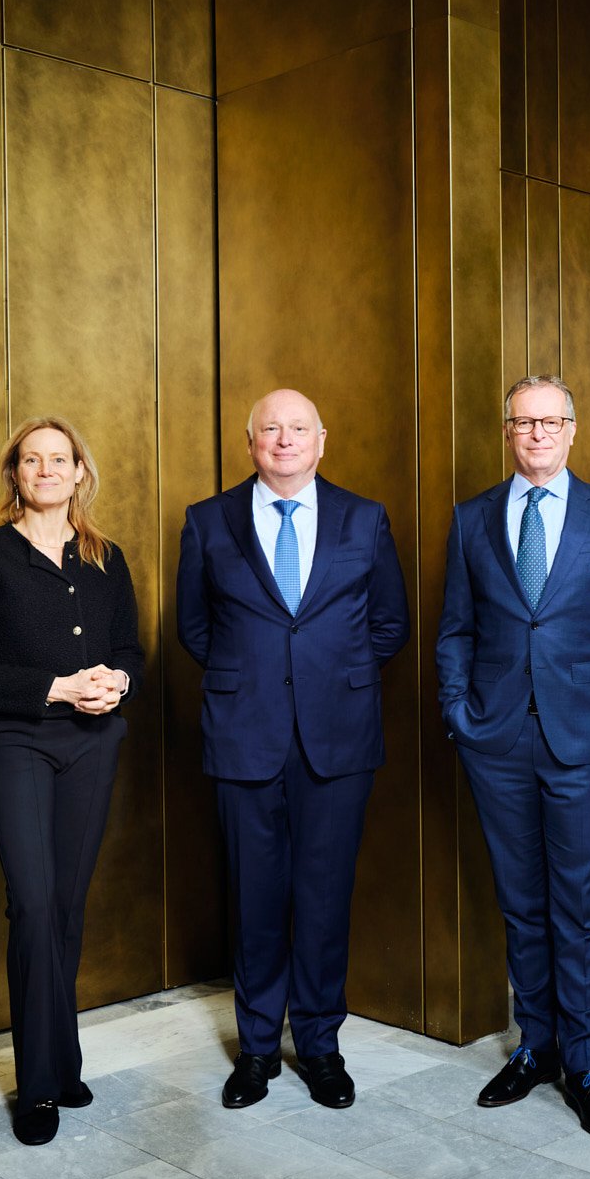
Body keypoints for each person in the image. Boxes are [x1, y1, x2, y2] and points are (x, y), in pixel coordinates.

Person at [176, 389, 409, 1111]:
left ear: (321, 439)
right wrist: (255, 681)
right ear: (250, 442)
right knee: (254, 898)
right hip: (244, 734)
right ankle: (255, 1051)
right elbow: (194, 627)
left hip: (338, 737)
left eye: (298, 428)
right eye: (270, 429)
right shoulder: (208, 520)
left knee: (324, 897)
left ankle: (319, 1045)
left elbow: (390, 623)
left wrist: (326, 679)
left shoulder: (364, 518)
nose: (284, 439)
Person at [436, 374, 590, 1140]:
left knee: (578, 905)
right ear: (507, 432)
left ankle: (586, 1063)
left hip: (583, 742)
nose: (536, 434)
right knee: (520, 901)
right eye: (523, 422)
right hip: (495, 739)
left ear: (571, 430)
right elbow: (456, 629)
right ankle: (536, 1045)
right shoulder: (471, 518)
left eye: (550, 421)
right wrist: (458, 712)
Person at [0, 417, 143, 1146]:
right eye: (33, 459)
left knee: (64, 906)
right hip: (19, 741)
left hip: (93, 745)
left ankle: (62, 1058)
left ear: (80, 471)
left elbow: (131, 649)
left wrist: (118, 681)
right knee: (30, 904)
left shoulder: (106, 558)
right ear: (15, 474)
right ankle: (37, 1085)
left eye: (61, 459)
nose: (48, 470)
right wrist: (57, 687)